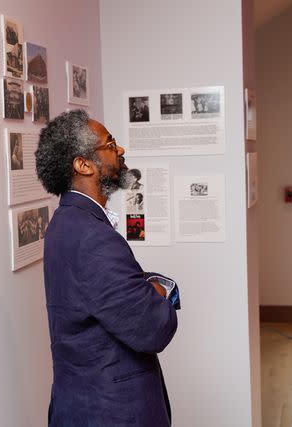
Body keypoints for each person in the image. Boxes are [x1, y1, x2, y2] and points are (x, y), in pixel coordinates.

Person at [35, 109, 180, 426]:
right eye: (110, 143)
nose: (121, 150)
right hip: (112, 413)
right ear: (83, 164)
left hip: (83, 404)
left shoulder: (65, 223)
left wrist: (143, 289)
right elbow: (154, 328)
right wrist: (158, 291)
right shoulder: (92, 238)